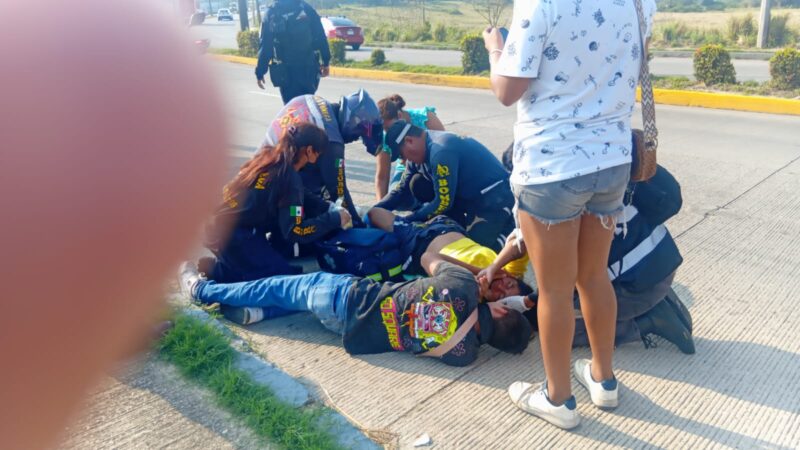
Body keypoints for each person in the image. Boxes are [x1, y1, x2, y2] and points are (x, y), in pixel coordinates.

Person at [483, 0, 657, 428]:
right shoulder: (640, 2)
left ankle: (558, 399)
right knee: (594, 276)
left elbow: (507, 91)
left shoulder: (540, 4)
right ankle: (603, 379)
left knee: (555, 291)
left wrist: (495, 49)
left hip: (552, 166)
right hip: (611, 161)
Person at [178, 253, 533, 367]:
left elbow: (428, 257)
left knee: (275, 286)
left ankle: (202, 289)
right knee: (298, 302)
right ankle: (257, 314)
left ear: (502, 313)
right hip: (348, 330)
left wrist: (480, 276)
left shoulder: (462, 285)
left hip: (346, 296)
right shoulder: (464, 355)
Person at [204, 123, 350, 283]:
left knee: (273, 262)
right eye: (318, 153)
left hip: (219, 224)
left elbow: (300, 194)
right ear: (309, 151)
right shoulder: (289, 178)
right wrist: (335, 219)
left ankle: (232, 264)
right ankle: (218, 272)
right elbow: (296, 230)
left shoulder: (270, 157)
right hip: (231, 235)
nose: (318, 159)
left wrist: (328, 207)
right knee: (284, 280)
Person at [383, 120, 515, 253]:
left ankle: (513, 227)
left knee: (475, 251)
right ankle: (458, 224)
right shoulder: (417, 155)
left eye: (401, 155)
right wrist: (376, 209)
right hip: (468, 196)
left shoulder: (441, 150)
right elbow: (401, 190)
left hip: (494, 197)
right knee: (418, 183)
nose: (403, 160)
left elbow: (443, 202)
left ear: (409, 141)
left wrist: (407, 220)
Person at [262, 90, 383, 228]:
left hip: (263, 162)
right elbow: (339, 190)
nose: (355, 139)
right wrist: (356, 223)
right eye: (358, 135)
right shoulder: (332, 140)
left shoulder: (314, 100)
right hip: (274, 187)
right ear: (353, 121)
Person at [367, 208, 533, 301]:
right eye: (509, 284)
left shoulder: (475, 296)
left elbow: (429, 258)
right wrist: (494, 267)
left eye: (501, 296)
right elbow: (524, 238)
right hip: (447, 227)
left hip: (418, 247)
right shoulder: (510, 271)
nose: (500, 286)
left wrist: (477, 276)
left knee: (374, 215)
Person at [255, 0, 330, 103]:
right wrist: (326, 61)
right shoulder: (306, 8)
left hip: (286, 72)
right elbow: (320, 36)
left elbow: (266, 45)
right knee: (308, 106)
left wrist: (260, 72)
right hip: (308, 68)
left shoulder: (271, 13)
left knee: (291, 107)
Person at [375, 94, 445, 201]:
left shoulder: (425, 118)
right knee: (397, 197)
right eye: (383, 129)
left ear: (399, 116)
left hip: (433, 167)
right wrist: (380, 206)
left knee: (433, 190)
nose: (387, 133)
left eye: (388, 128)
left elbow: (444, 149)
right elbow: (382, 176)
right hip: (406, 170)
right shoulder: (384, 137)